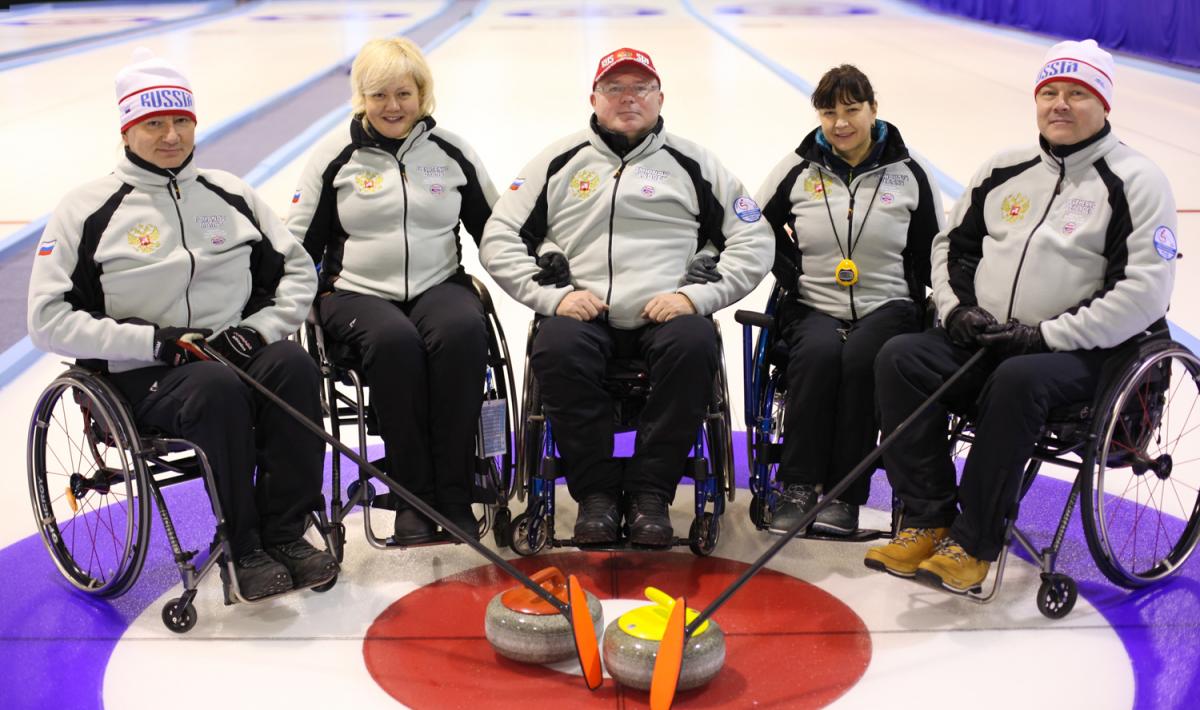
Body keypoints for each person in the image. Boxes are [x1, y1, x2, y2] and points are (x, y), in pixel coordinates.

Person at [864, 39, 1178, 593]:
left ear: (1104, 104)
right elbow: (952, 248)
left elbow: (1143, 293)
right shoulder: (1005, 168)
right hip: (994, 340)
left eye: (1076, 94)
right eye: (1049, 92)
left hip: (1088, 356)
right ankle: (928, 517)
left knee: (1017, 380)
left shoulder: (1136, 181)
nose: (1060, 104)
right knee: (900, 358)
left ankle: (974, 542)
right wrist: (956, 310)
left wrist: (1044, 336)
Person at [27, 49, 337, 601]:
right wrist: (149, 340)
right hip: (139, 375)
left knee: (291, 363)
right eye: (154, 124)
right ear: (127, 131)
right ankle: (242, 550)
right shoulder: (87, 209)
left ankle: (286, 533)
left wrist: (259, 330)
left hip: (232, 352)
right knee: (216, 390)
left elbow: (295, 270)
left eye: (181, 122)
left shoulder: (229, 192)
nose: (171, 136)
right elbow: (47, 320)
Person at [481, 48, 773, 548]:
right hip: (582, 310)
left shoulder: (694, 163)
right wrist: (550, 297)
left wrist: (697, 296)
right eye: (615, 88)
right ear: (593, 98)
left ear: (661, 97)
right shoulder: (558, 161)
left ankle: (649, 495)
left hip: (667, 312)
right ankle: (595, 495)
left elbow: (755, 238)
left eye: (640, 87)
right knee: (556, 348)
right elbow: (499, 236)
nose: (628, 98)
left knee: (695, 345)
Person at [287, 38, 498, 544]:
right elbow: (296, 244)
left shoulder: (450, 152)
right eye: (379, 95)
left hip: (437, 283)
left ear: (422, 94)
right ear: (361, 97)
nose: (393, 107)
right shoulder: (334, 157)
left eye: (403, 93)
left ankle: (453, 491)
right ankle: (410, 494)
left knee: (464, 329)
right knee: (395, 343)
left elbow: (495, 228)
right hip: (353, 293)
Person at [753, 64, 943, 536]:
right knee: (816, 357)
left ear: (873, 109)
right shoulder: (798, 167)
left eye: (851, 110)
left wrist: (929, 304)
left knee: (862, 361)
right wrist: (792, 272)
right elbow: (754, 225)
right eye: (828, 112)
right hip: (814, 303)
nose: (840, 123)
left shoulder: (910, 172)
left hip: (889, 306)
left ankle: (844, 496)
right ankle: (797, 487)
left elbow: (934, 247)